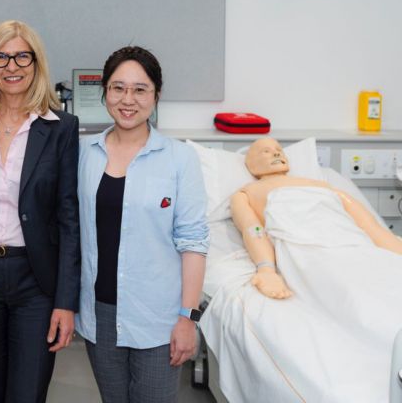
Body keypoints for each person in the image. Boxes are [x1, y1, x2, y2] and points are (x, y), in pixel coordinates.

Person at [0, 20, 80, 403]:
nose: (12, 66)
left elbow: (68, 218)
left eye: (23, 56)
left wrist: (65, 301)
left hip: (36, 281)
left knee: (27, 394)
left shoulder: (61, 128)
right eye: (1, 57)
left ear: (37, 64)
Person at [75, 46, 209, 403]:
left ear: (156, 95)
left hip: (159, 319)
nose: (127, 99)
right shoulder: (83, 153)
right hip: (99, 315)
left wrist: (187, 318)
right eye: (118, 88)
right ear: (104, 92)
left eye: (140, 89)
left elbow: (193, 242)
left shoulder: (180, 159)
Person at [231, 137, 402, 299]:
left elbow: (370, 226)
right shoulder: (247, 193)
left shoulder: (323, 186)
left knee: (385, 273)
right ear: (250, 164)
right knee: (352, 289)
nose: (276, 153)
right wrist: (266, 270)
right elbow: (253, 229)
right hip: (306, 248)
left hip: (349, 240)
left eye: (279, 150)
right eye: (265, 151)